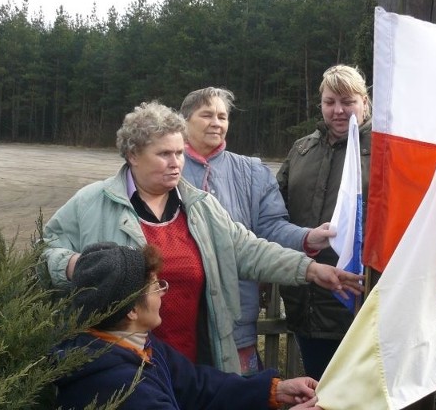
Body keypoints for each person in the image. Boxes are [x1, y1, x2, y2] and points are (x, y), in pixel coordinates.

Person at [40, 100, 363, 375]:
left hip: (196, 362)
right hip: (122, 364)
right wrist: (74, 265)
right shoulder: (90, 202)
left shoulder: (201, 206)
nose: (176, 163)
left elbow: (248, 250)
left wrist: (310, 270)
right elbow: (45, 253)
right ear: (133, 155)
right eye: (164, 153)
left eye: (180, 153)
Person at [53, 242, 324, 410]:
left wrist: (273, 390)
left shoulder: (137, 344)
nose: (163, 292)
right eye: (155, 286)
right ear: (132, 310)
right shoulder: (121, 385)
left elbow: (199, 386)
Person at [179, 87, 334, 375]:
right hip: (178, 318)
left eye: (223, 116)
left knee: (237, 395)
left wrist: (306, 237)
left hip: (236, 318)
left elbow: (271, 227)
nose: (217, 122)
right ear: (184, 120)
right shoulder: (167, 168)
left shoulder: (252, 172)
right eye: (207, 115)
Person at [276, 64, 372, 380]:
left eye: (348, 101)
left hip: (360, 302)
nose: (339, 110)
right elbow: (276, 212)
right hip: (307, 298)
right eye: (330, 101)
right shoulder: (302, 150)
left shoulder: (384, 153)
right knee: (319, 389)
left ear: (364, 102)